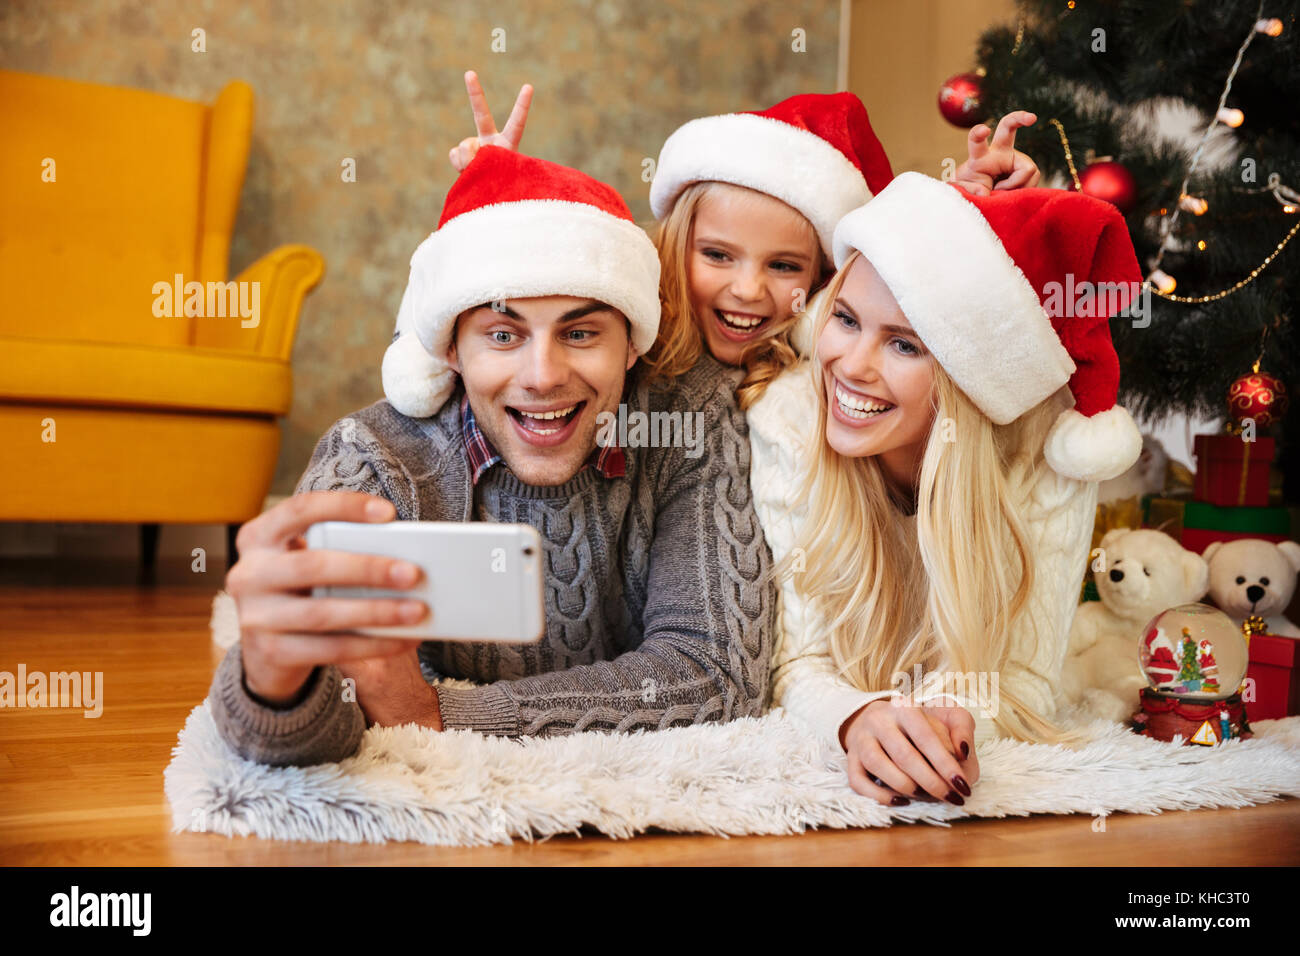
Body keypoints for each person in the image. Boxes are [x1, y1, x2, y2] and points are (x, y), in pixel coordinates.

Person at [211, 146, 777, 767]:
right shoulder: (373, 460)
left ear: (631, 346)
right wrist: (273, 682)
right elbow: (322, 719)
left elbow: (715, 670)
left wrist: (439, 715)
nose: (542, 376)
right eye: (503, 336)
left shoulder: (685, 428)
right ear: (451, 349)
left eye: (581, 333)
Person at [748, 171, 1145, 806]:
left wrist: (950, 722)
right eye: (845, 319)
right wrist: (857, 720)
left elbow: (1023, 678)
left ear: (968, 376)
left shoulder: (1051, 456)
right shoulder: (789, 423)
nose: (851, 366)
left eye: (904, 344)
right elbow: (797, 665)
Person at [387, 72, 1040, 417]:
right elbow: (495, 313)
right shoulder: (618, 326)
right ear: (676, 248)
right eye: (718, 255)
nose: (748, 290)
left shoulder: (821, 375)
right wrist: (501, 189)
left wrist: (970, 216)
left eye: (783, 265)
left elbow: (918, 306)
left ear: (818, 281)